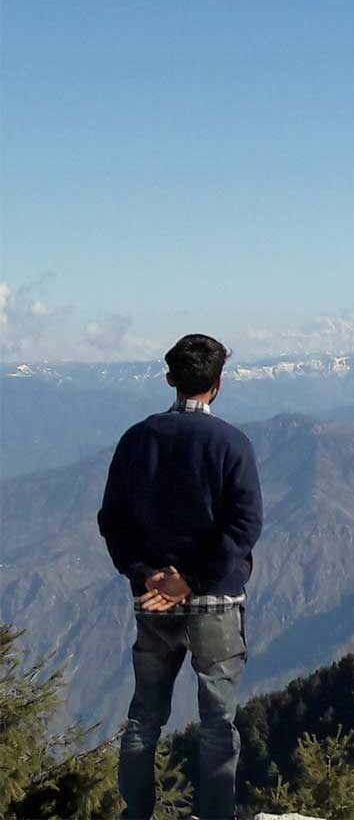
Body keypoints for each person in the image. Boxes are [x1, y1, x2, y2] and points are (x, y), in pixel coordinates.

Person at [97, 334, 263, 820]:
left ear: (170, 379)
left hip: (153, 603)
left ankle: (137, 814)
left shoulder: (137, 439)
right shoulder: (232, 443)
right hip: (216, 601)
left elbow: (113, 519)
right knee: (217, 724)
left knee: (144, 717)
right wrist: (190, 579)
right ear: (218, 384)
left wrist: (148, 574)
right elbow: (244, 525)